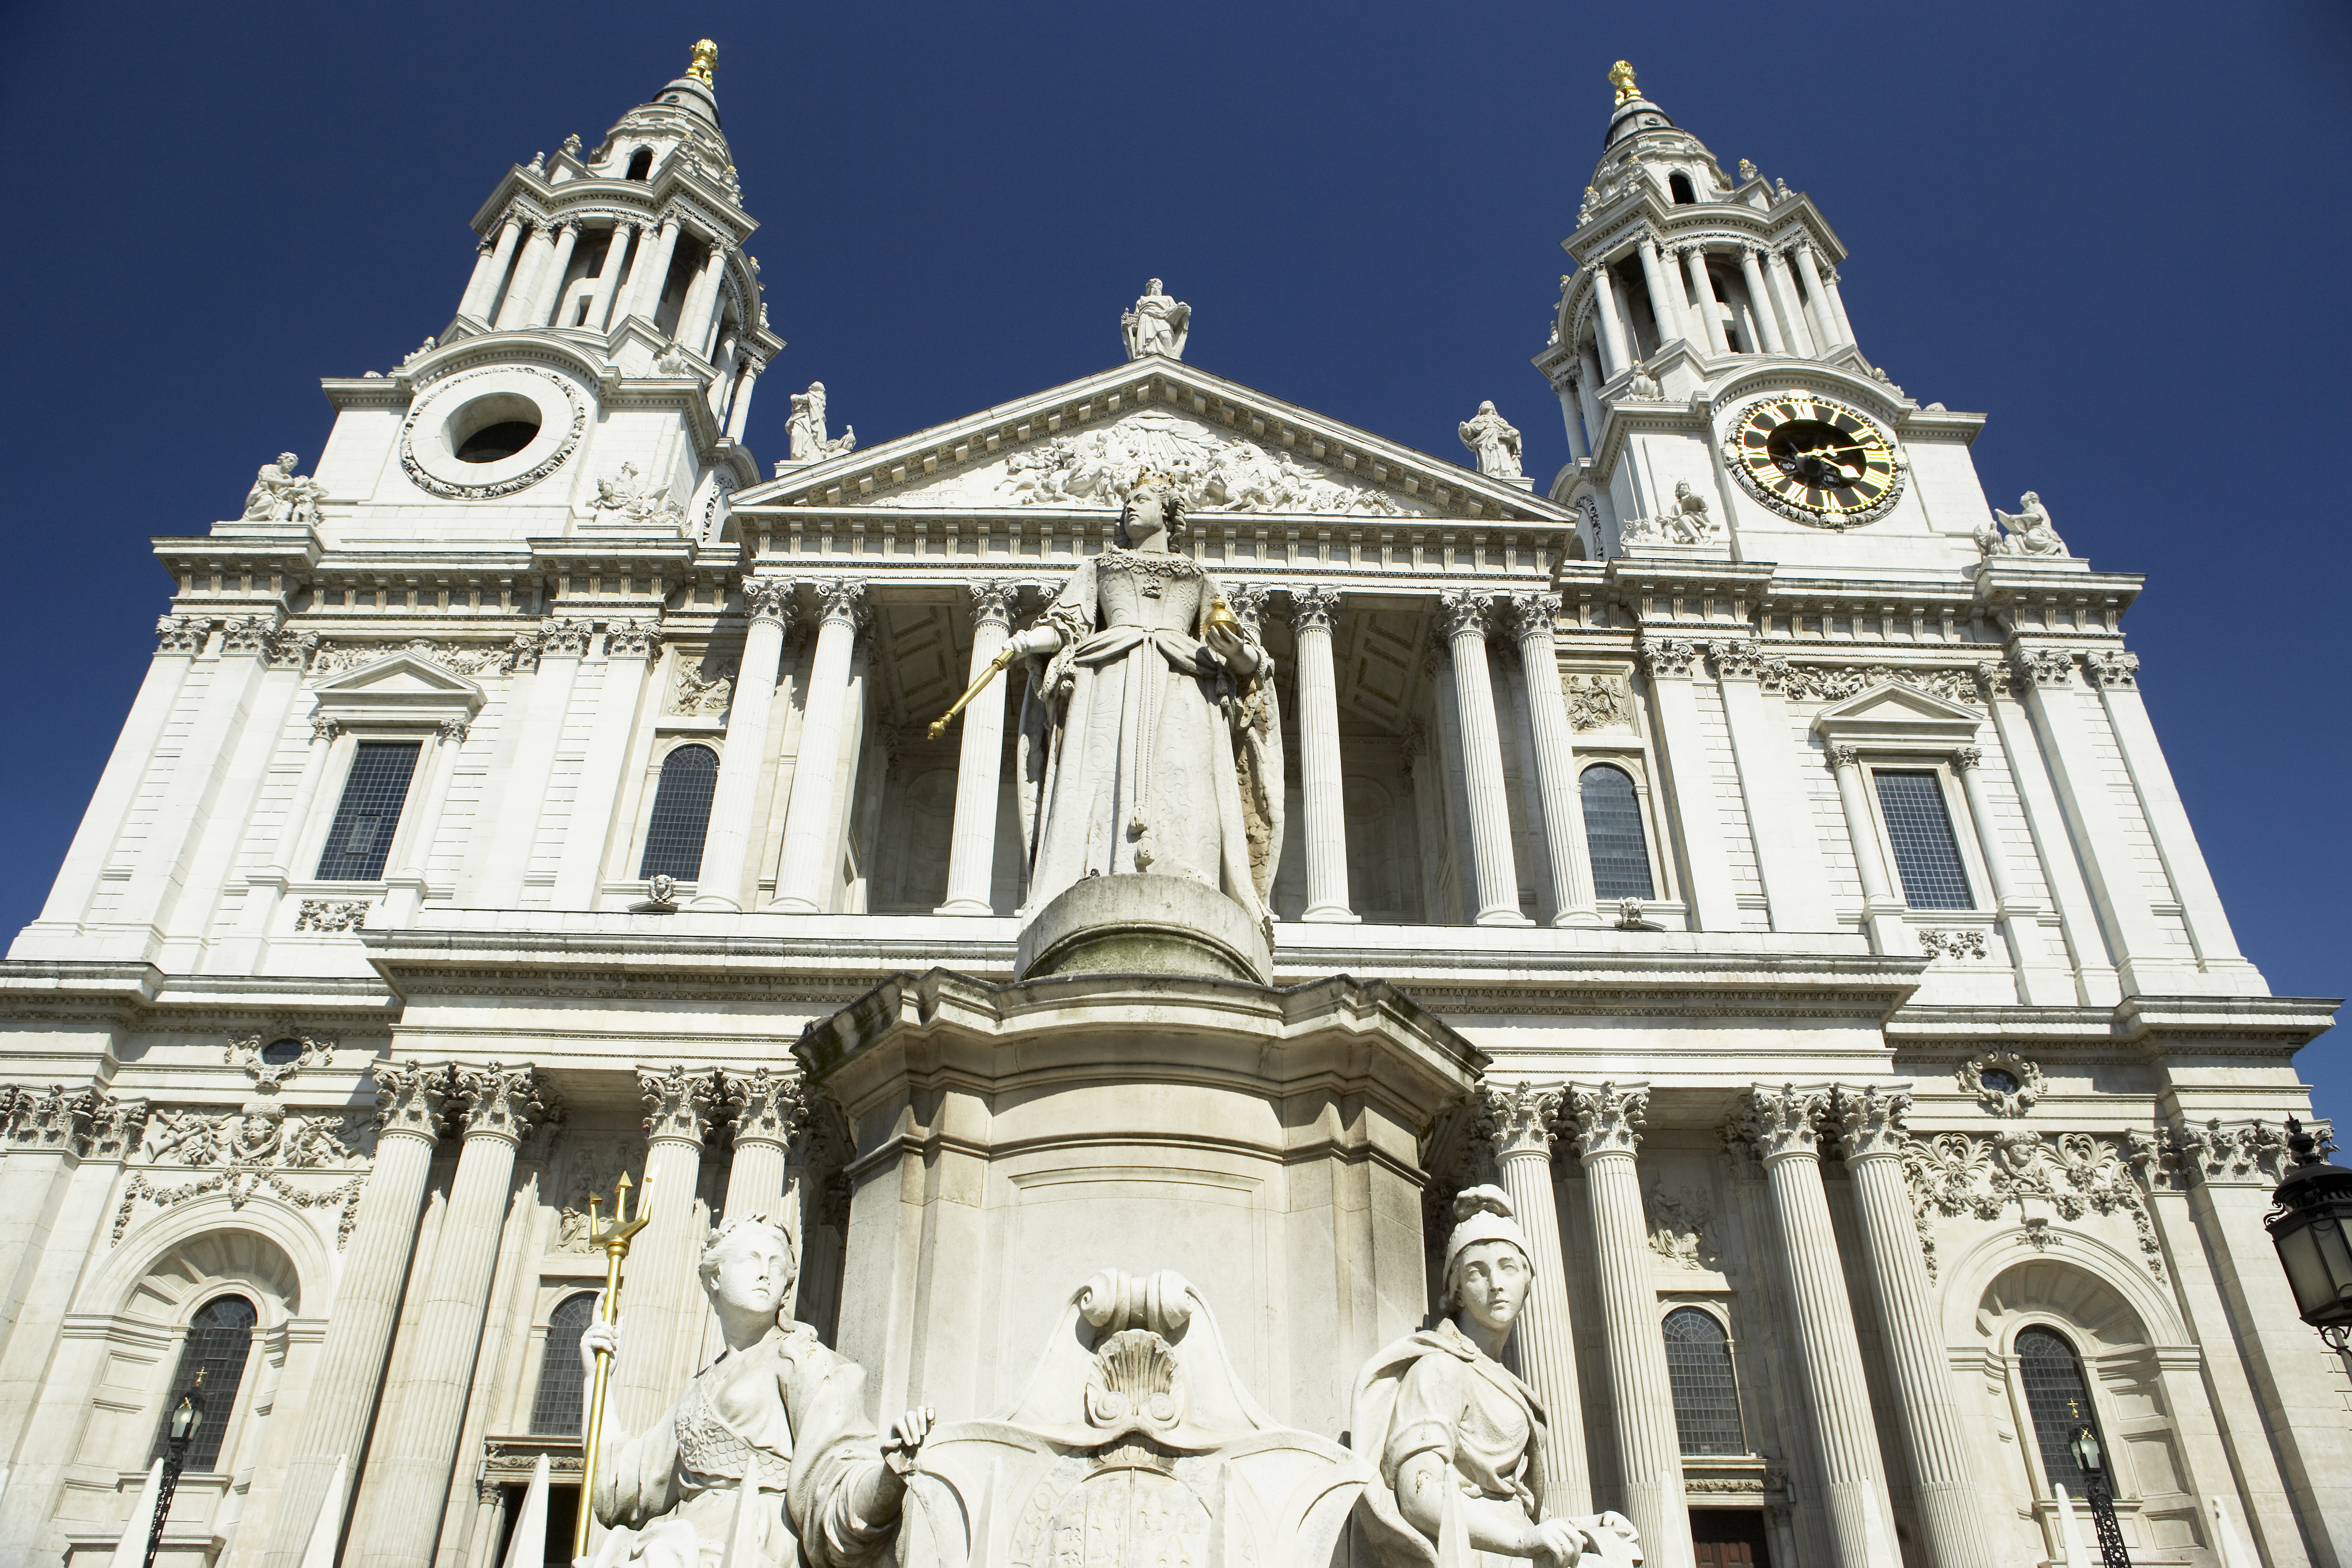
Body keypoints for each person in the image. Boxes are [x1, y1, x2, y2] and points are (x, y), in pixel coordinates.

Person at [579, 1216, 933, 1568]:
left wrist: (888, 1475)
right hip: (683, 1541)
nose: (766, 1274)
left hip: (753, 1545)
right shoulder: (699, 1386)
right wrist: (598, 1380)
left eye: (777, 1266)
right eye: (752, 1260)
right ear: (715, 1276)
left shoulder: (802, 1359)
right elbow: (626, 1490)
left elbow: (838, 1473)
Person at [1010, 474, 1282, 929]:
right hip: (1108, 681)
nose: (1129, 508)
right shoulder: (1099, 568)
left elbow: (1245, 649)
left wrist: (1237, 652)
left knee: (1185, 776)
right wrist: (1025, 642)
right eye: (1127, 502)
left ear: (1168, 512)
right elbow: (1068, 624)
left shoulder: (1197, 577)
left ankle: (1191, 880)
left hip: (1185, 682)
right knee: (1098, 774)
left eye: (1141, 499)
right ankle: (1093, 875)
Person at [1351, 1188, 1641, 1567]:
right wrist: (1523, 1540)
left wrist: (1587, 1527)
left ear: (1527, 1279)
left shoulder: (1502, 1378)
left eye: (1508, 1267)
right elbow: (1417, 1494)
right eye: (1477, 1272)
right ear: (1455, 1289)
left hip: (1507, 1547)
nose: (1496, 1284)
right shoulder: (1441, 1368)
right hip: (1465, 1552)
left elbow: (1512, 1508)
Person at [1121, 278, 1191, 359]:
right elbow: (1135, 321)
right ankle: (1144, 356)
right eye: (1158, 284)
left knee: (1166, 337)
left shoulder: (1168, 299)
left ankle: (1171, 358)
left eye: (1161, 285)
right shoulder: (1142, 300)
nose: (1160, 287)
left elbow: (1175, 311)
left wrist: (1184, 310)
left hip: (1163, 320)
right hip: (1146, 319)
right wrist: (1127, 321)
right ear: (1152, 286)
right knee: (1147, 342)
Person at [1458, 402, 1524, 480]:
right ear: (1480, 409)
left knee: (1504, 456)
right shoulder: (1476, 420)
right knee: (1488, 459)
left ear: (1493, 408)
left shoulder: (1500, 420)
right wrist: (1465, 428)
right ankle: (1491, 475)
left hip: (1501, 441)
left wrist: (1515, 432)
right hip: (1486, 442)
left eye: (1489, 404)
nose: (1486, 405)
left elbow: (1509, 431)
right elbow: (1471, 435)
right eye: (1483, 405)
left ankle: (1507, 475)